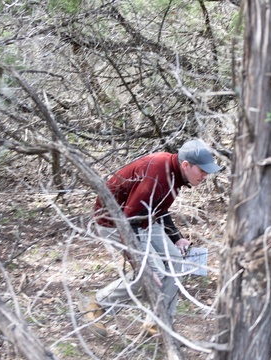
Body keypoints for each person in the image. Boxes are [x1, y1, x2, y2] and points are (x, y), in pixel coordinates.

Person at [84, 139, 222, 337]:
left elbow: (159, 208)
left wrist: (176, 238)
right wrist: (141, 264)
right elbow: (128, 221)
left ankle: (158, 324)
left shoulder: (174, 175)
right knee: (151, 274)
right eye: (202, 170)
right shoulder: (158, 175)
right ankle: (98, 303)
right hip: (115, 222)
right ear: (186, 165)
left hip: (144, 220)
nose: (206, 175)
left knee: (176, 263)